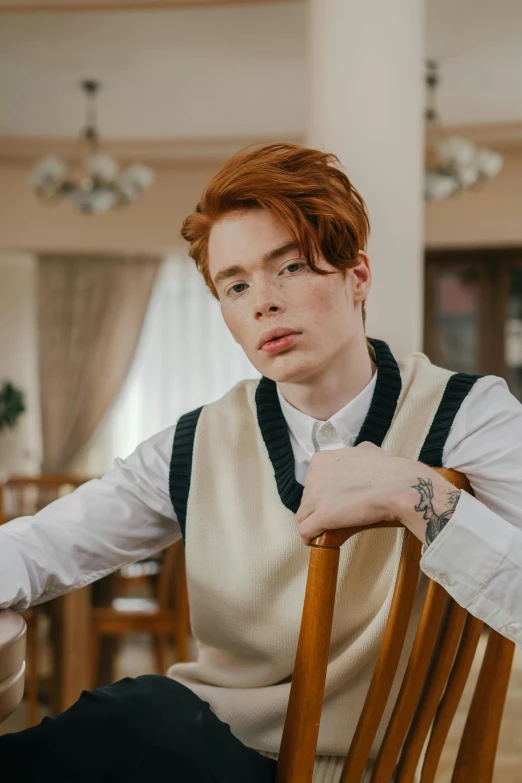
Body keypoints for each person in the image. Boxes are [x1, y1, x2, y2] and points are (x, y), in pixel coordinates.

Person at [1, 143, 521, 783]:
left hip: (335, 769)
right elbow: (48, 544)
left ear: (357, 276)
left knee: (142, 714)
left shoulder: (468, 414)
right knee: (136, 715)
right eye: (236, 285)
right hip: (194, 748)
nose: (262, 302)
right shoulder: (197, 442)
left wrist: (414, 491)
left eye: (293, 268)